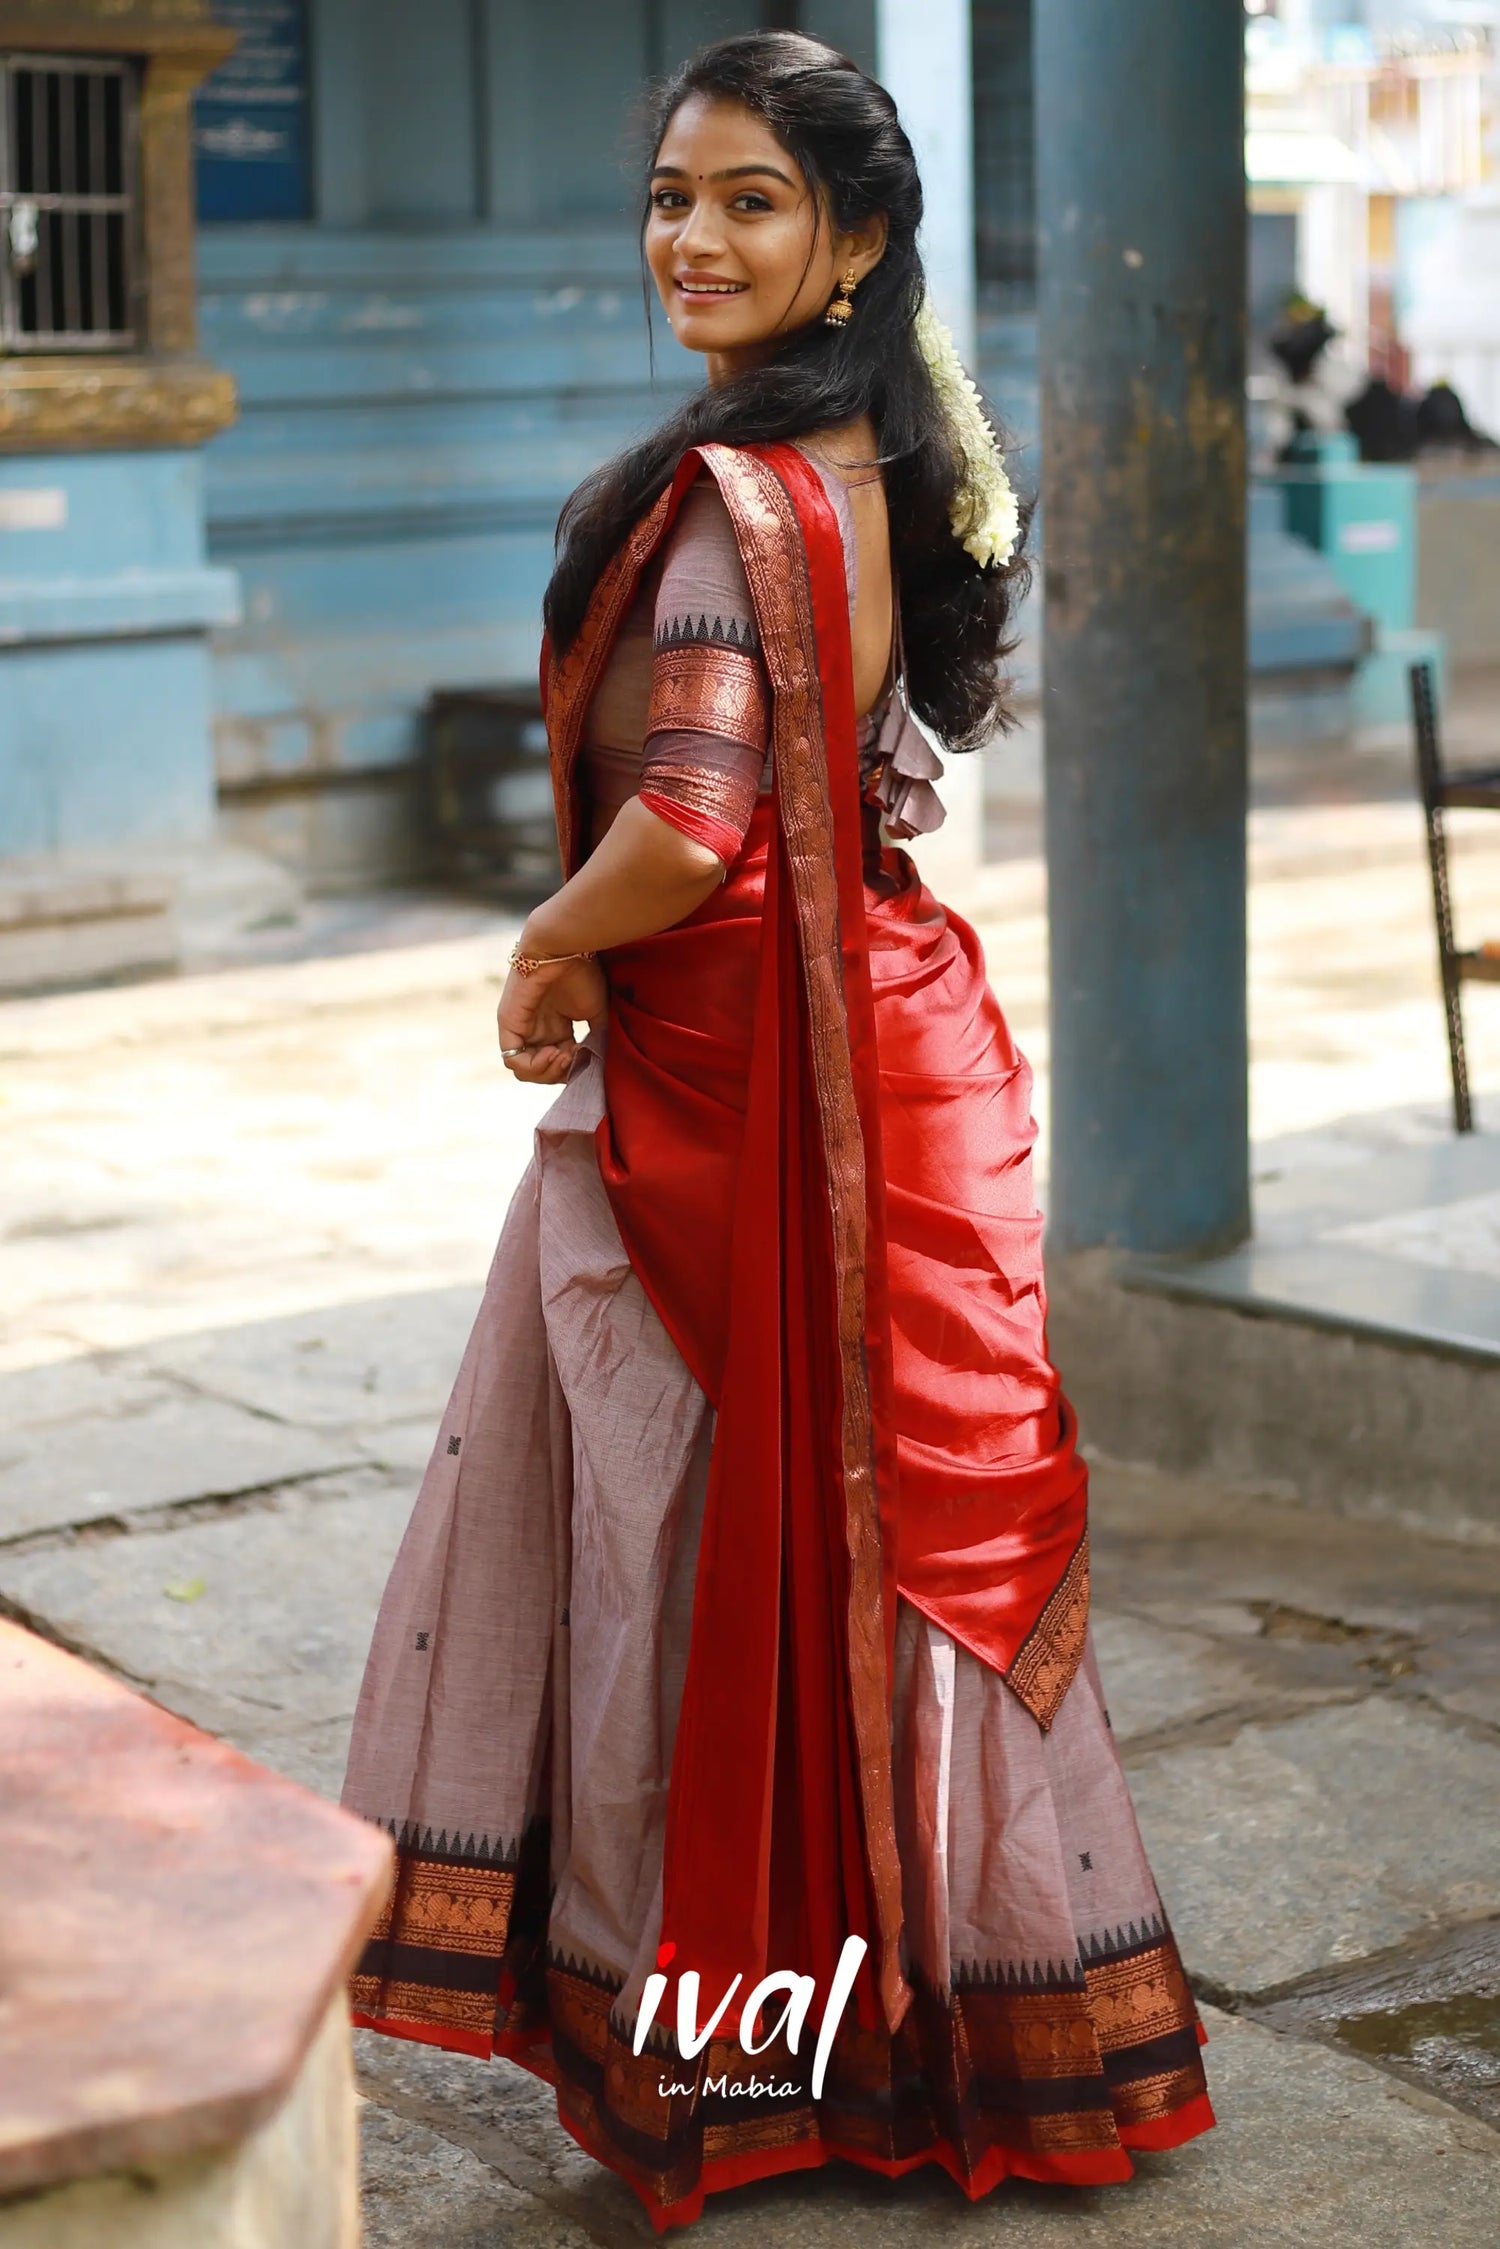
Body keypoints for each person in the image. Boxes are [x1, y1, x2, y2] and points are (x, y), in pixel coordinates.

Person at [341, 31, 1214, 2233]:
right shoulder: (861, 461)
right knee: (847, 1549)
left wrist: (543, 948)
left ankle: (790, 2050)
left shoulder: (741, 498)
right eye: (669, 197)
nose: (692, 239)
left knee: (734, 1550)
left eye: (746, 200)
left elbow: (697, 824)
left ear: (852, 245)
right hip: (843, 1045)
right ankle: (915, 2027)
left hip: (757, 1080)